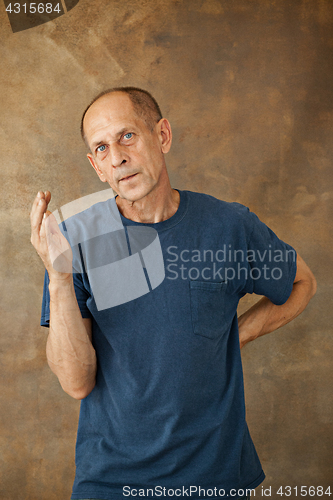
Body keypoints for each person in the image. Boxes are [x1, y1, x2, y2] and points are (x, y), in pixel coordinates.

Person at [30, 87, 317, 500]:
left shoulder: (228, 226)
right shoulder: (74, 239)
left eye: (127, 136)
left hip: (216, 478)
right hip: (112, 484)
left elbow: (300, 283)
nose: (118, 156)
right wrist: (58, 276)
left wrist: (233, 338)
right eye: (102, 147)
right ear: (96, 166)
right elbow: (77, 383)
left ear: (162, 135)